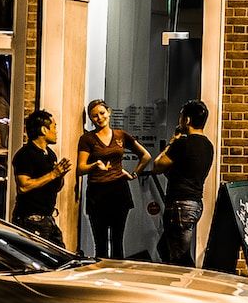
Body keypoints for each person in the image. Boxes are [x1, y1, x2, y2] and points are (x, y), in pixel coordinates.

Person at [141, 99, 213, 267]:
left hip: (180, 205)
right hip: (195, 204)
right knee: (165, 248)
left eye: (181, 117)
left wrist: (173, 141)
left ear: (186, 120)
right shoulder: (208, 145)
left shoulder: (182, 143)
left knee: (179, 257)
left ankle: (187, 287)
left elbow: (158, 165)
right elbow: (184, 172)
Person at [78, 98, 151, 259]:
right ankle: (102, 279)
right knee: (101, 243)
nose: (100, 118)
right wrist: (95, 165)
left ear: (109, 112)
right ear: (91, 119)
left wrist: (134, 174)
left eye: (102, 113)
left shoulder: (121, 135)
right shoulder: (87, 139)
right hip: (97, 193)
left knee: (118, 241)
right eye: (95, 116)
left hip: (119, 191)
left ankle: (118, 279)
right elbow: (80, 168)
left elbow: (145, 156)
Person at [11, 108, 73, 244]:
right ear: (44, 130)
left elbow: (55, 187)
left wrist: (60, 176)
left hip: (48, 217)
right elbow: (23, 186)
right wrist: (53, 174)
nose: (56, 131)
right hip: (30, 219)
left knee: (60, 257)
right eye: (54, 127)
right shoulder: (25, 154)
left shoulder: (50, 154)